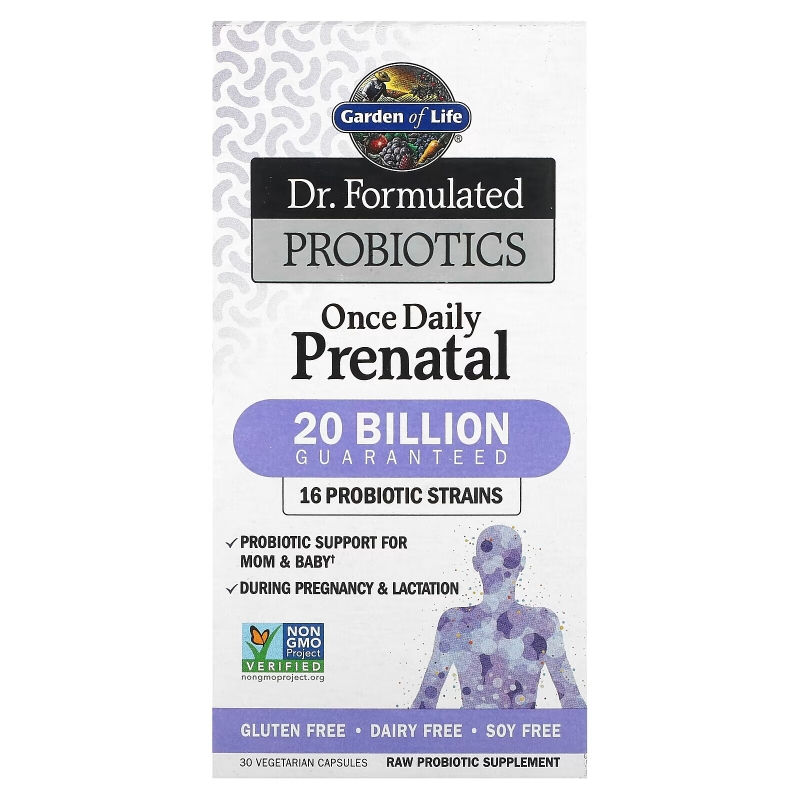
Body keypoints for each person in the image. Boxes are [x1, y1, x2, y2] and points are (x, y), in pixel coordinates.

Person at [412, 525, 586, 709]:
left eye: (508, 559)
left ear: (521, 564)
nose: (498, 566)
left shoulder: (543, 623)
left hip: (504, 728)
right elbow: (424, 704)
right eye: (490, 557)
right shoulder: (454, 623)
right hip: (484, 728)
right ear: (476, 564)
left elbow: (573, 704)